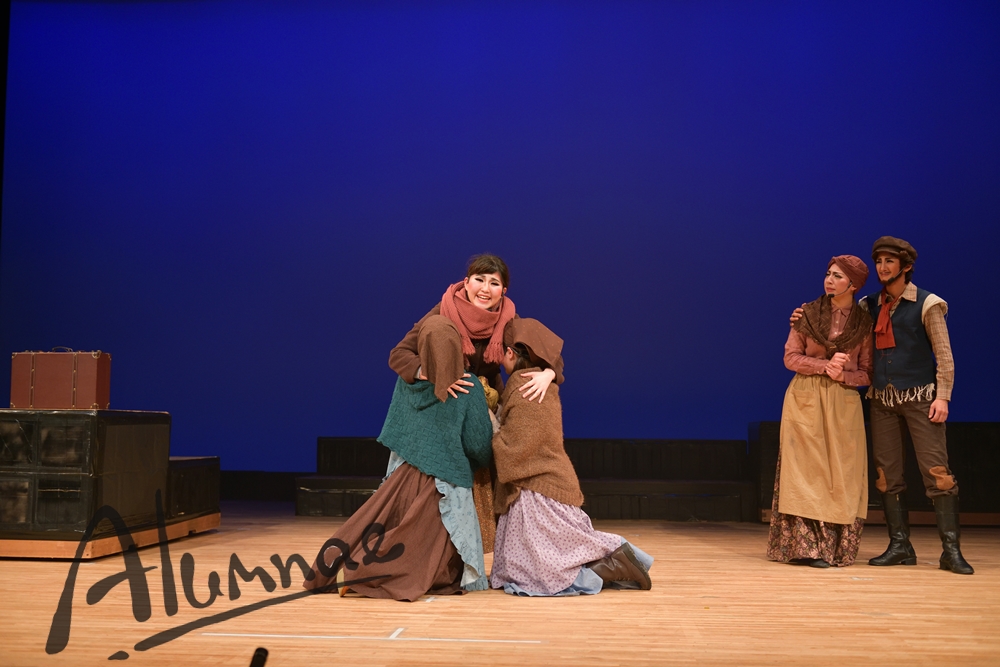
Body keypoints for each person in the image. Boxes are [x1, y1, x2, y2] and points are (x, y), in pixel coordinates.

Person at [388, 253, 565, 552]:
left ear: (503, 290)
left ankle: (512, 541)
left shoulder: (507, 319)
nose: (485, 289)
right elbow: (399, 355)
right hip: (445, 406)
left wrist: (549, 373)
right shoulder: (442, 313)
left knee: (504, 454)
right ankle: (434, 545)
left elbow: (547, 352)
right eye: (479, 280)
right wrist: (427, 372)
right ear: (466, 282)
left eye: (494, 283)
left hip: (483, 403)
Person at [489, 318, 653, 595]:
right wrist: (550, 372)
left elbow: (519, 446)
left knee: (541, 572)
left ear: (510, 353)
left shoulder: (524, 387)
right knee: (543, 557)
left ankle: (614, 565)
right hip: (546, 478)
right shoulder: (543, 383)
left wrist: (491, 428)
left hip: (534, 486)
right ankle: (620, 560)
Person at [303, 367, 494, 600]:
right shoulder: (468, 385)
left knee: (378, 524)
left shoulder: (407, 379)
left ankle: (332, 567)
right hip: (443, 480)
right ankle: (357, 572)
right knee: (423, 549)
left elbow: (399, 422)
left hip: (404, 475)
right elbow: (478, 445)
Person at [862, 236, 972, 574]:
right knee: (887, 476)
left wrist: (943, 396)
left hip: (921, 398)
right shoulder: (869, 305)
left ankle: (951, 551)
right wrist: (803, 319)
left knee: (937, 473)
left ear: (906, 266)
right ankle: (900, 546)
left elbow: (944, 355)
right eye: (879, 261)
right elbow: (842, 328)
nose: (882, 267)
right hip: (882, 399)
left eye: (889, 261)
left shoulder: (927, 303)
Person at [768, 256, 873, 568]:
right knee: (805, 471)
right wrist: (823, 366)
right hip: (806, 396)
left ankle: (833, 547)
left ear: (853, 285)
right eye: (828, 274)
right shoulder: (807, 314)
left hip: (843, 402)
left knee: (840, 473)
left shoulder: (864, 324)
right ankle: (806, 548)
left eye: (838, 276)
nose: (829, 280)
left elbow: (868, 372)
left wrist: (844, 376)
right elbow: (791, 357)